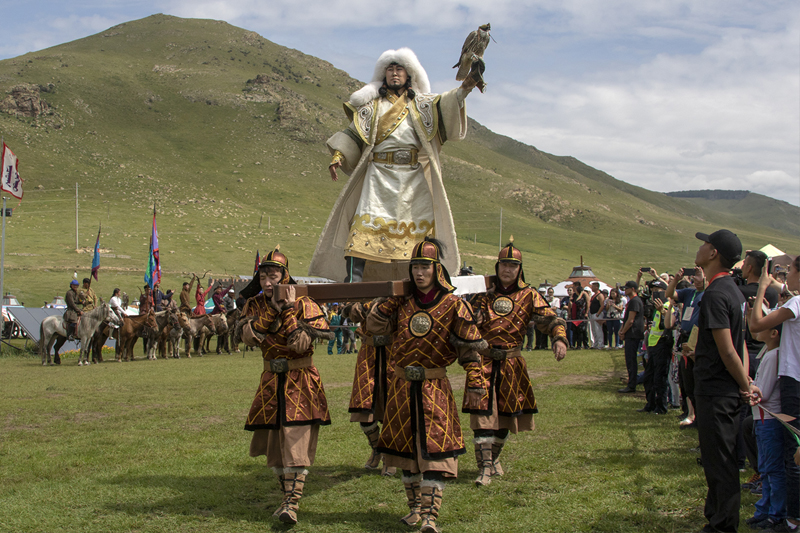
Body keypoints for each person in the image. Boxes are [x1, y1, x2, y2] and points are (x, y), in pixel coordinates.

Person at [310, 47, 480, 283]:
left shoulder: (423, 105)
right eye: (389, 69)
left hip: (413, 179)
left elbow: (447, 105)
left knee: (419, 237)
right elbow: (354, 134)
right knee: (361, 227)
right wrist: (338, 155)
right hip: (378, 175)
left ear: (409, 74)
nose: (394, 73)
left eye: (399, 68)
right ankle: (354, 282)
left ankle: (425, 282)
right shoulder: (372, 106)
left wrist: (464, 89)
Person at [365, 238, 487, 532]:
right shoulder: (401, 304)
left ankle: (431, 515)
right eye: (415, 267)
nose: (420, 273)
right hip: (401, 387)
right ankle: (414, 509)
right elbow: (373, 328)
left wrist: (476, 380)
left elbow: (469, 349)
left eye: (425, 267)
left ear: (437, 270)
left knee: (435, 449)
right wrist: (389, 303)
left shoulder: (453, 305)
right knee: (404, 451)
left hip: (435, 387)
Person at [238, 248, 334, 525]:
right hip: (270, 382)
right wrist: (271, 310)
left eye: (274, 275)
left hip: (301, 381)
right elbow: (251, 337)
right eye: (264, 276)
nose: (269, 282)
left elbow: (299, 344)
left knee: (296, 443)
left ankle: (291, 504)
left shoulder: (305, 304)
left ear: (285, 276)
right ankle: (285, 499)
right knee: (276, 446)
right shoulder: (254, 305)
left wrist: (289, 310)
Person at [463, 243, 567, 487]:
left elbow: (551, 319)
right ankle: (485, 468)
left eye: (513, 265)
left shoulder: (529, 295)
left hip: (512, 364)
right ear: (497, 267)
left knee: (507, 417)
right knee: (482, 415)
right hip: (483, 361)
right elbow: (466, 323)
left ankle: (493, 458)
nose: (507, 269)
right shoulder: (482, 295)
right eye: (503, 265)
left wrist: (559, 338)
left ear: (519, 269)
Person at [692, 229, 757, 533]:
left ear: (714, 253)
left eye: (705, 244)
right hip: (725, 388)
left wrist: (745, 385)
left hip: (717, 390)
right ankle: (715, 516)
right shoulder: (732, 290)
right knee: (720, 460)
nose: (701, 248)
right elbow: (740, 342)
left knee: (721, 464)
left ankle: (722, 526)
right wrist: (747, 380)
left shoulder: (717, 294)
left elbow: (728, 349)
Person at [749, 253, 800, 532]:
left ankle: (791, 520)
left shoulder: (797, 302)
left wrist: (760, 290)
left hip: (795, 383)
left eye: (790, 270)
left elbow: (756, 325)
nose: (786, 276)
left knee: (793, 455)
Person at [342, 300, 396, 476]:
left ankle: (390, 456)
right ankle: (377, 448)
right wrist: (365, 305)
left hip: (392, 354)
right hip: (369, 355)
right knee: (363, 407)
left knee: (393, 407)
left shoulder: (399, 294)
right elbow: (352, 313)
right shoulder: (363, 295)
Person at [745, 321, 786, 531]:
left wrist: (750, 387)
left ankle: (775, 513)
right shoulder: (769, 353)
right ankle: (764, 510)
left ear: (774, 333)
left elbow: (764, 393)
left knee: (772, 469)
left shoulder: (773, 356)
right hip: (764, 419)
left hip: (768, 420)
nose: (756, 329)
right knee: (767, 469)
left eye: (763, 327)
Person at [666, 266, 706, 427]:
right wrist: (675, 279)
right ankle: (691, 413)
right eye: (694, 276)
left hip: (699, 337)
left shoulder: (708, 292)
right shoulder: (690, 293)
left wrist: (703, 278)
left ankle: (699, 416)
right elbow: (669, 294)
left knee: (698, 377)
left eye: (699, 276)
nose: (696, 279)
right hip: (686, 336)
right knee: (686, 377)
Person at [638, 288, 677, 414]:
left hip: (662, 343)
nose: (655, 294)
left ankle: (661, 407)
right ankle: (650, 404)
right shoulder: (655, 307)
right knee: (649, 377)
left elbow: (670, 323)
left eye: (658, 291)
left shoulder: (667, 306)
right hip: (653, 344)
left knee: (659, 378)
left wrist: (663, 310)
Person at [618, 280, 645, 393]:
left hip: (633, 334)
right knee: (630, 359)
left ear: (633, 289)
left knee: (631, 360)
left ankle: (632, 384)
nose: (625, 290)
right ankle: (632, 382)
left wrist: (623, 332)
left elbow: (630, 320)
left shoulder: (634, 301)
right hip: (631, 333)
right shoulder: (633, 301)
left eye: (627, 288)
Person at [588, 281, 605, 349]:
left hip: (597, 314)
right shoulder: (593, 295)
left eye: (593, 286)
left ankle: (601, 344)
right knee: (593, 330)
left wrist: (598, 313)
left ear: (596, 287)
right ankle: (595, 344)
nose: (591, 288)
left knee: (598, 329)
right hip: (592, 314)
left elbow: (602, 305)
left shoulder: (600, 295)